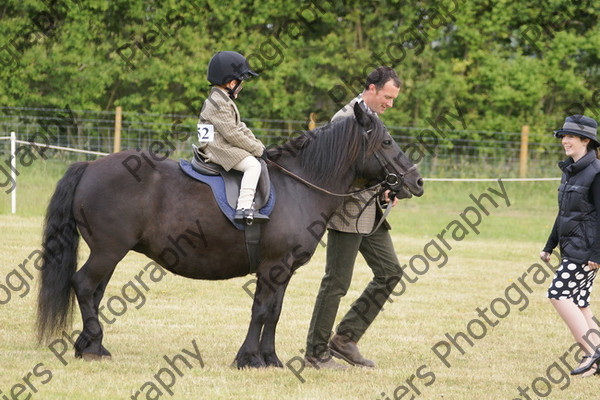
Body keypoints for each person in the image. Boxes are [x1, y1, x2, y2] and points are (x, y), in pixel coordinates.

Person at [305, 66, 402, 369]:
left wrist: (386, 188)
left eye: (393, 99)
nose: (390, 103)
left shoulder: (372, 120)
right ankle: (315, 352)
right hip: (347, 212)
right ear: (371, 89)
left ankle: (345, 339)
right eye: (387, 96)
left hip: (370, 211)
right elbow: (334, 173)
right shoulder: (344, 120)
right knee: (337, 281)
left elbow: (371, 166)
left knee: (390, 272)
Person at [540, 114, 600, 377]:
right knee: (580, 301)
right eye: (563, 136)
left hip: (586, 251)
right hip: (571, 248)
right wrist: (549, 245)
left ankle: (591, 353)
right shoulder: (570, 171)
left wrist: (597, 253)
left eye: (570, 136)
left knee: (558, 294)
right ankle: (596, 360)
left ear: (586, 141)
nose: (564, 141)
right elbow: (563, 213)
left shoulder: (596, 173)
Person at [198, 51, 269, 224]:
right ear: (231, 83)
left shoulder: (223, 99)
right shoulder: (218, 103)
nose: (241, 88)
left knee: (255, 158)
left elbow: (240, 127)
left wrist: (258, 145)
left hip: (222, 143)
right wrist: (257, 150)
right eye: (240, 83)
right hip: (217, 148)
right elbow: (232, 134)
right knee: (252, 165)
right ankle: (243, 209)